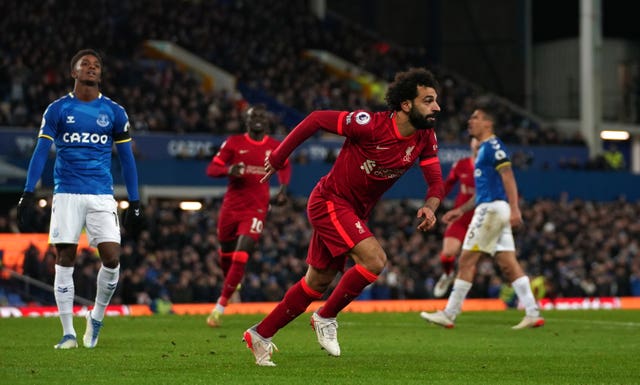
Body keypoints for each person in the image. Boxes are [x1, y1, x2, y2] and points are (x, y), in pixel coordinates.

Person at [243, 68, 445, 366]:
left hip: (354, 212)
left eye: (435, 101)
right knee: (375, 260)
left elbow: (436, 183)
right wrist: (278, 156)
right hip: (330, 201)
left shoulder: (425, 136)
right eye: (428, 100)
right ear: (406, 105)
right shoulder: (370, 125)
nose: (436, 107)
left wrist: (430, 206)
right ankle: (325, 316)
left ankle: (261, 333)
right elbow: (315, 119)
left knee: (317, 283)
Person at [16, 49, 144, 349]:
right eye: (85, 64)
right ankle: (68, 332)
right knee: (65, 259)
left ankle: (96, 316)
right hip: (67, 193)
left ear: (100, 74)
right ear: (74, 72)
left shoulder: (115, 112)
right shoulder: (58, 110)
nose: (91, 68)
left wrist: (135, 200)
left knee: (112, 259)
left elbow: (127, 160)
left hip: (101, 194)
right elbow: (40, 152)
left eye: (96, 65)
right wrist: (27, 190)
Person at [420, 102, 544, 330]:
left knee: (466, 260)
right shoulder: (484, 150)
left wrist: (515, 208)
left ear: (487, 123)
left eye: (475, 117)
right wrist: (460, 210)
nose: (470, 121)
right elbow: (481, 192)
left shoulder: (493, 146)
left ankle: (449, 314)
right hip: (493, 208)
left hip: (492, 210)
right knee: (508, 263)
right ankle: (533, 312)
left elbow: (508, 177)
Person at [205, 104, 291, 327]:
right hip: (231, 208)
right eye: (254, 116)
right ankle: (233, 284)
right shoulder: (234, 143)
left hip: (257, 209)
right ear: (247, 121)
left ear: (267, 121)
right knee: (226, 251)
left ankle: (219, 308)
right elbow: (212, 169)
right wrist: (228, 170)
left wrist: (282, 189)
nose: (258, 119)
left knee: (241, 256)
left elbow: (285, 166)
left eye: (262, 116)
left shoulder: (274, 146)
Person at [433, 138, 479, 298]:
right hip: (460, 217)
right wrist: (433, 201)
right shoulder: (461, 164)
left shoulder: (490, 168)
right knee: (448, 253)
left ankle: (460, 298)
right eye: (475, 141)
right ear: (471, 144)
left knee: (469, 263)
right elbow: (448, 184)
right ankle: (447, 275)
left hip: (481, 220)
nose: (478, 144)